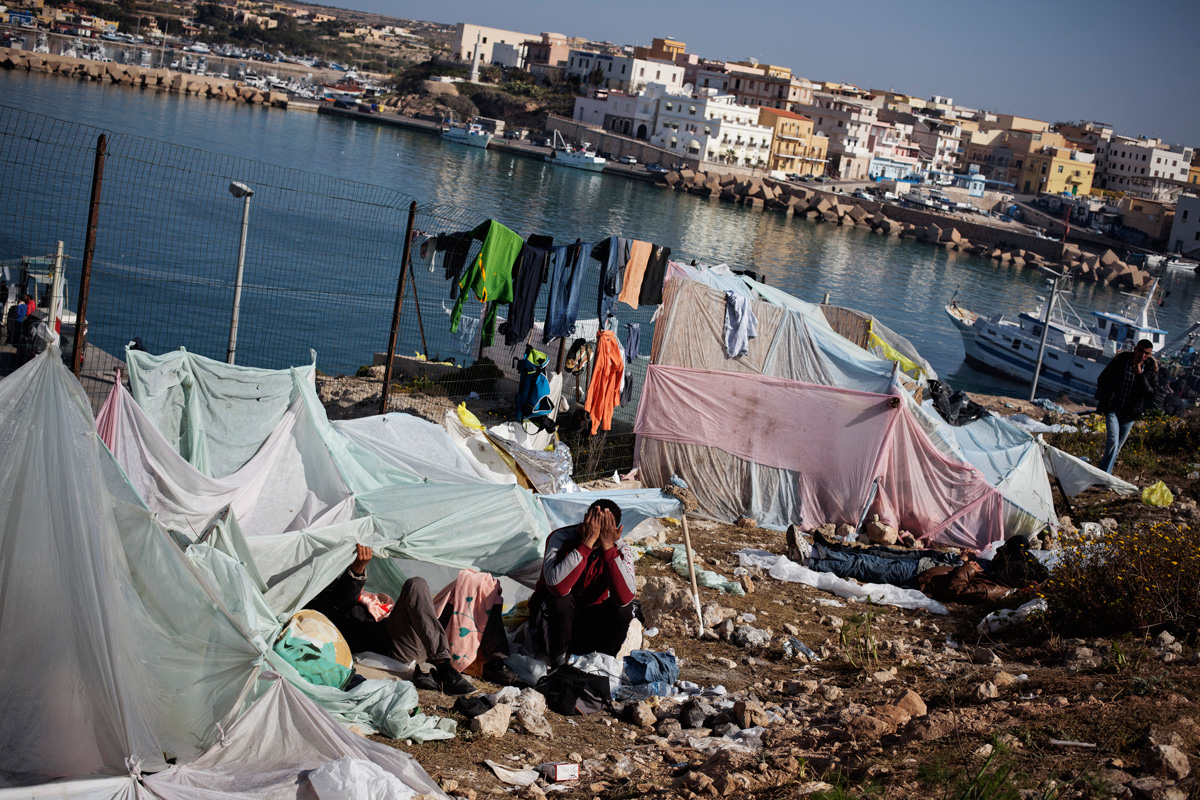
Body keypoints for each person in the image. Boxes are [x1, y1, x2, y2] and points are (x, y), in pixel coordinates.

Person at [307, 543, 526, 695]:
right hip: (394, 644)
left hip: (422, 637)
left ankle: (494, 663)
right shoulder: (315, 596)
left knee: (481, 582)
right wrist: (357, 571)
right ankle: (444, 668)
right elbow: (338, 605)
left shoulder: (360, 596)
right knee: (416, 583)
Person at [527, 500, 636, 667]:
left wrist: (608, 548)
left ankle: (602, 663)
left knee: (625, 609)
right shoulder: (561, 538)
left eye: (605, 527)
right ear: (586, 519)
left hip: (590, 626)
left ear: (617, 531)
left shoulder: (619, 550)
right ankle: (558, 663)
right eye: (595, 523)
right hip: (554, 627)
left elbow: (625, 597)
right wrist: (586, 544)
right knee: (560, 599)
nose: (598, 531)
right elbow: (557, 587)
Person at [1095, 339, 1159, 473]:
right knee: (1113, 442)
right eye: (1141, 351)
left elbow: (1151, 393)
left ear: (1150, 354)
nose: (1142, 356)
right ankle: (1105, 479)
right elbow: (1102, 379)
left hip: (1130, 413)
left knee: (1116, 448)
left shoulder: (1150, 370)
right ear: (1135, 349)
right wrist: (1105, 398)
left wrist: (1140, 376)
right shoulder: (1121, 362)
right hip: (1113, 408)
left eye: (1146, 353)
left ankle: (1101, 475)